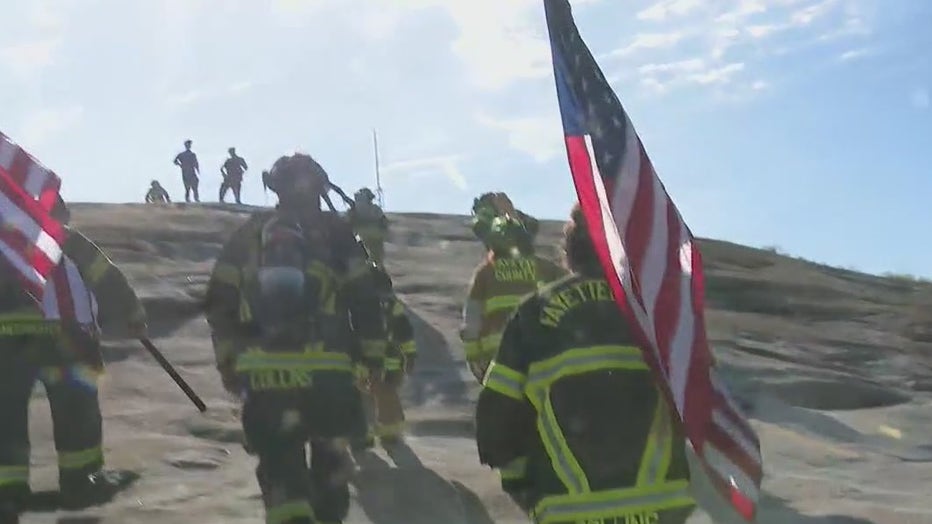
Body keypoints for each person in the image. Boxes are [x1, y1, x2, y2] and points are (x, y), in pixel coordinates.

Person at [475, 203, 697, 524]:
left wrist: (523, 484)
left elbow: (496, 421)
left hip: (568, 510)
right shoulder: (658, 314)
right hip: (664, 508)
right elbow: (701, 404)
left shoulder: (535, 312)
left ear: (570, 250)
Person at [204, 152, 389, 524]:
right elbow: (365, 298)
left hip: (264, 371)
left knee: (280, 465)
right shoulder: (338, 233)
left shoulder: (251, 233)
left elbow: (220, 300)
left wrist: (227, 357)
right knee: (331, 464)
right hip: (330, 372)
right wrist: (373, 358)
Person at [0, 198, 147, 522]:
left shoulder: (6, 243)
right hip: (66, 335)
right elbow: (105, 276)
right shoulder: (65, 238)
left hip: (8, 339)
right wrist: (131, 313)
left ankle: (8, 492)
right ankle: (81, 482)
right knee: (76, 411)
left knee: (6, 416)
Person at [460, 213, 565, 384]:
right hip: (539, 355)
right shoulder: (546, 268)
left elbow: (471, 319)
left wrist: (473, 357)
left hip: (497, 358)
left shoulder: (485, 273)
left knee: (503, 407)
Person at [354, 265, 415, 450]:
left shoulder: (357, 304)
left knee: (363, 399)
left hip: (364, 362)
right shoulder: (392, 305)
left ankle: (364, 436)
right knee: (387, 397)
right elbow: (404, 331)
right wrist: (410, 354)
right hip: (390, 361)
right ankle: (388, 434)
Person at [346, 188, 388, 267]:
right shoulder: (375, 209)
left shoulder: (354, 210)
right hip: (373, 236)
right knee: (375, 258)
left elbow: (348, 224)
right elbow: (383, 223)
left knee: (371, 258)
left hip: (363, 236)